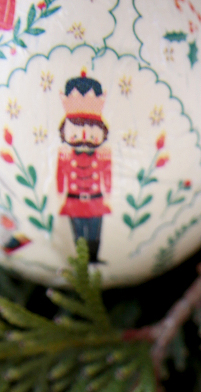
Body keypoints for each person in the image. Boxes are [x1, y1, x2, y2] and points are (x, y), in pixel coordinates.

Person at [56, 72, 111, 264]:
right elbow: (61, 177)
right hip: (74, 201)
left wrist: (109, 187)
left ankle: (93, 258)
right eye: (77, 131)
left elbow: (107, 176)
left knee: (95, 230)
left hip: (96, 200)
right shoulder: (66, 157)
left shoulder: (102, 157)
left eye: (92, 132)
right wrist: (60, 189)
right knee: (79, 231)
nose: (85, 136)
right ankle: (81, 259)